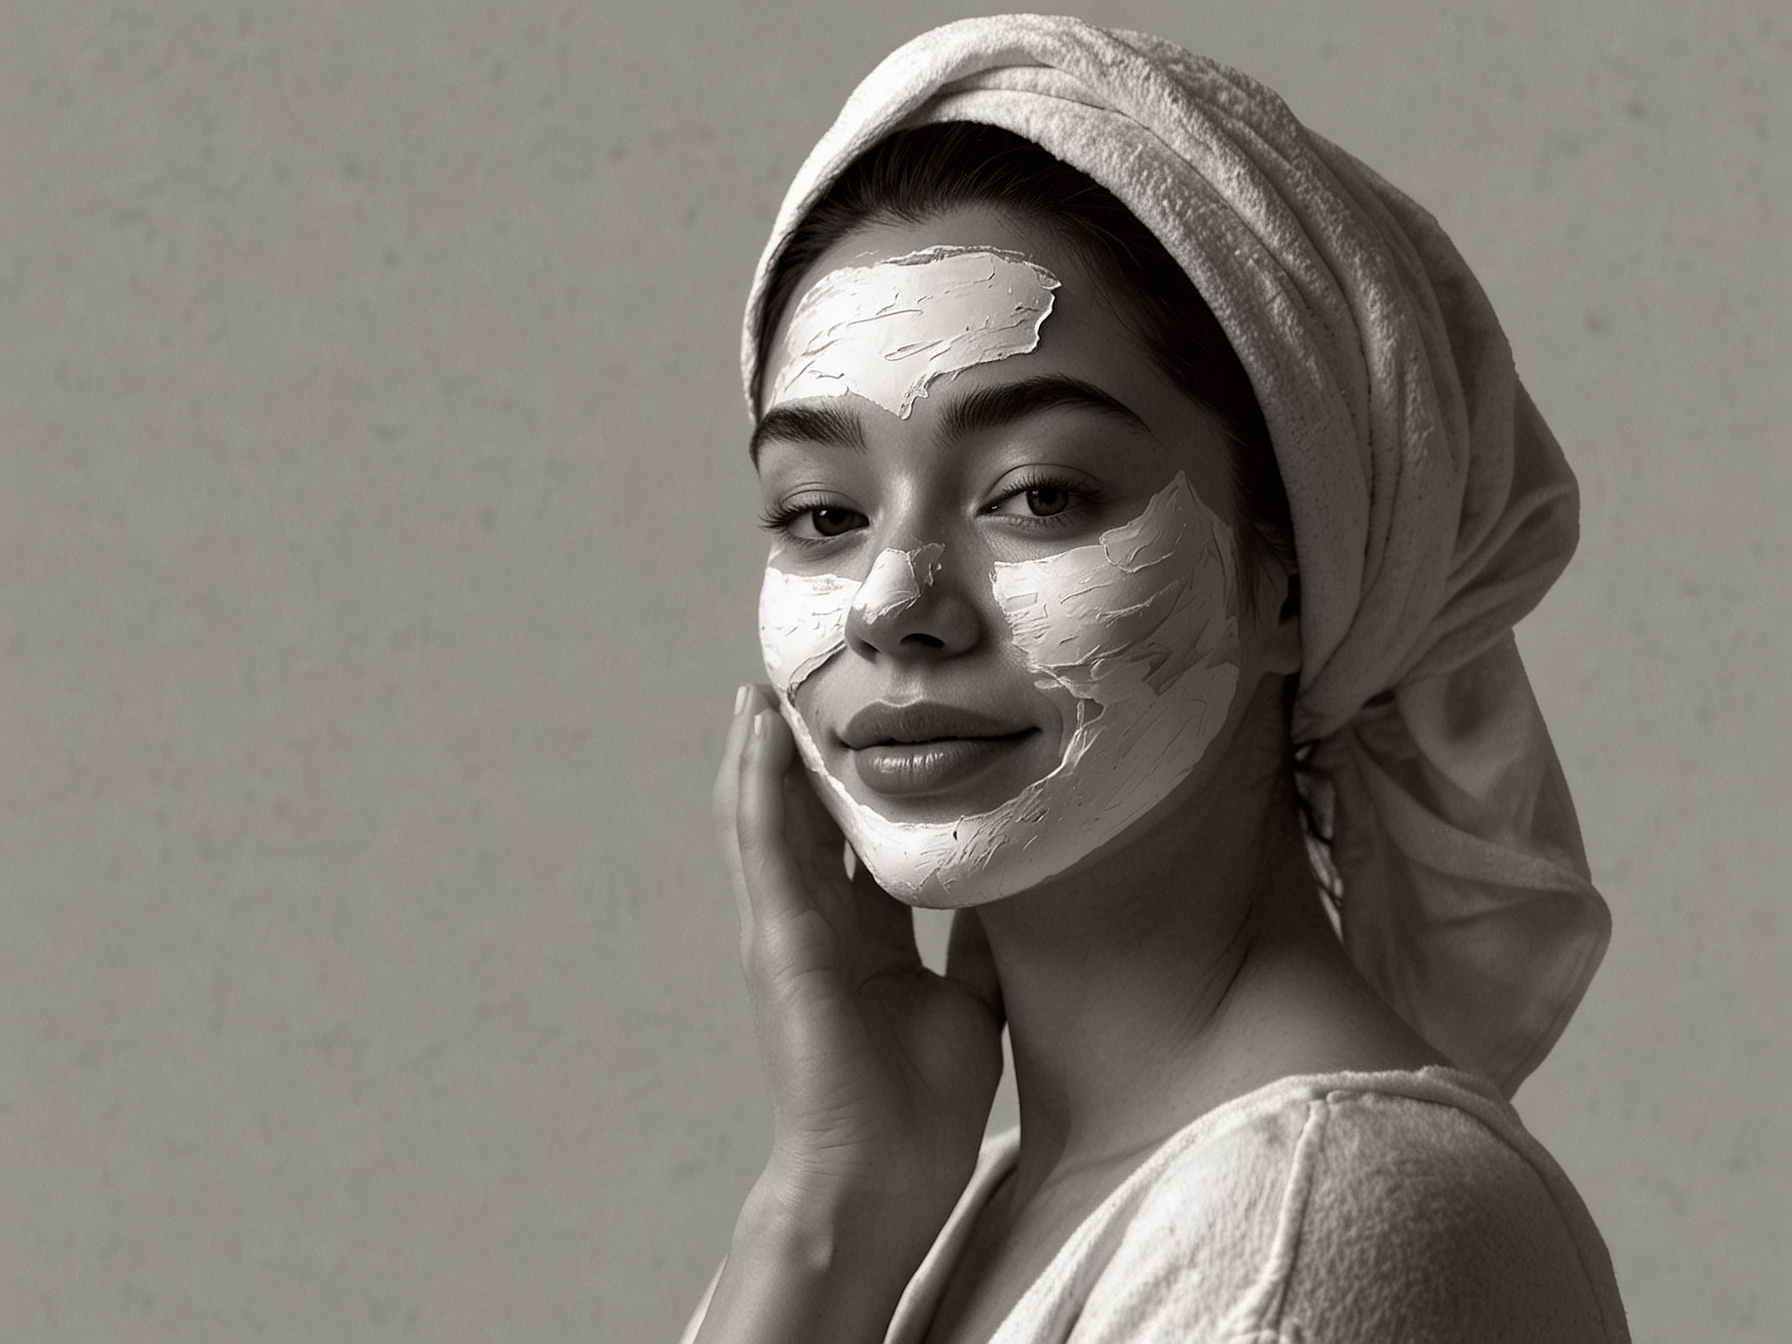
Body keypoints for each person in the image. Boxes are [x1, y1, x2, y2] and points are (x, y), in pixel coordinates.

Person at [685, 15, 1628, 1343]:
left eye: (1038, 494)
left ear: (1297, 568)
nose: (895, 603)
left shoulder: (1317, 1224)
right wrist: (830, 1209)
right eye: (824, 515)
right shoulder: (984, 1206)